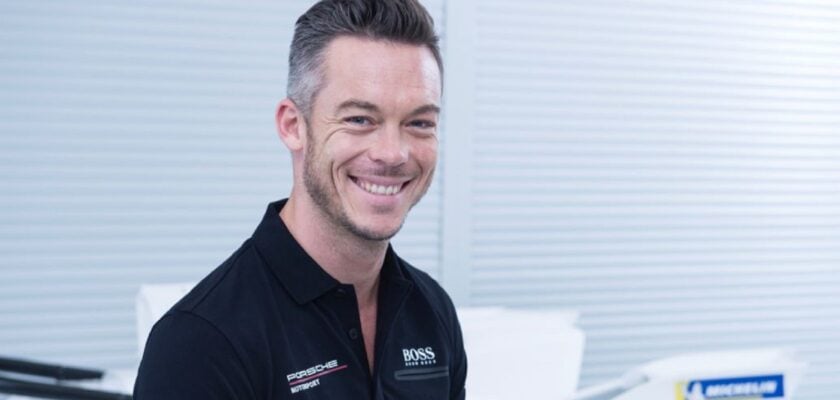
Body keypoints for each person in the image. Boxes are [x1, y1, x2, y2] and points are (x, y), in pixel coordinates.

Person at [133, 0, 467, 399]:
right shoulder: (200, 344)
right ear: (293, 126)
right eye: (359, 119)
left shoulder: (432, 312)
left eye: (419, 123)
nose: (393, 153)